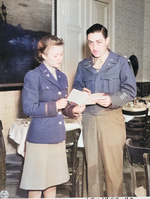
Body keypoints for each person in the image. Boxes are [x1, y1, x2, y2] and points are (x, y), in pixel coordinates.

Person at [73, 23, 137, 197]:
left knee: (113, 170)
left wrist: (111, 99)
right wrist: (80, 94)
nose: (94, 47)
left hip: (111, 119)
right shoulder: (83, 65)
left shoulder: (121, 63)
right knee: (92, 169)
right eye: (90, 42)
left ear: (107, 40)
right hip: (89, 120)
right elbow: (75, 91)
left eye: (99, 42)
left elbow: (131, 91)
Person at [20, 34, 85, 198]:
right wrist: (54, 106)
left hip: (57, 136)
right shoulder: (33, 76)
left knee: (52, 183)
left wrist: (73, 110)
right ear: (43, 55)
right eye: (55, 55)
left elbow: (64, 105)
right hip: (40, 138)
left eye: (61, 54)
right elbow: (28, 108)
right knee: (36, 185)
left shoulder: (62, 77)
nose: (59, 58)